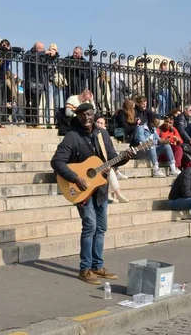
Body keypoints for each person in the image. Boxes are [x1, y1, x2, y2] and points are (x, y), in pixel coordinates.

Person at [51, 103, 132, 285]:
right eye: (82, 115)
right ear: (77, 117)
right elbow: (57, 162)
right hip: (82, 191)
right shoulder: (72, 136)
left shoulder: (102, 134)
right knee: (90, 227)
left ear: (94, 115)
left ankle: (97, 266)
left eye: (89, 114)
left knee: (101, 228)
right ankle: (85, 269)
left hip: (101, 189)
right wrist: (75, 177)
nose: (86, 118)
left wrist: (124, 158)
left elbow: (111, 158)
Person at [95, 116, 129, 202]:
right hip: (93, 164)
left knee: (108, 168)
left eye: (101, 123)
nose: (99, 124)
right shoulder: (93, 134)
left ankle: (115, 194)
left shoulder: (105, 135)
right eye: (97, 122)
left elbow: (110, 151)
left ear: (104, 126)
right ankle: (116, 194)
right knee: (108, 168)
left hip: (103, 163)